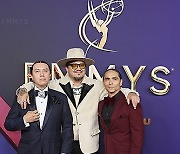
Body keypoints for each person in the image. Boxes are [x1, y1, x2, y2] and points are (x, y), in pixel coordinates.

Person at [16, 48, 140, 154]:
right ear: (67, 68)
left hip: (89, 145)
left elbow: (115, 88)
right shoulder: (54, 85)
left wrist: (131, 92)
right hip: (63, 143)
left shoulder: (97, 85)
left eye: (81, 65)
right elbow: (36, 84)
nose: (78, 68)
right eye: (74, 65)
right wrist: (23, 90)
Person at [4, 61, 73, 154]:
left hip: (53, 150)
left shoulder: (61, 98)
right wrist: (24, 120)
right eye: (37, 71)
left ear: (50, 75)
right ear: (31, 76)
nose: (42, 74)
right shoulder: (21, 97)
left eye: (45, 71)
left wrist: (65, 152)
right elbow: (8, 124)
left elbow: (67, 128)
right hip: (28, 150)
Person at [98, 69, 144, 154]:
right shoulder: (101, 103)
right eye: (107, 79)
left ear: (121, 82)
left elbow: (137, 133)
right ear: (103, 82)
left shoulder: (130, 102)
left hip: (125, 151)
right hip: (108, 150)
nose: (110, 83)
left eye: (114, 79)